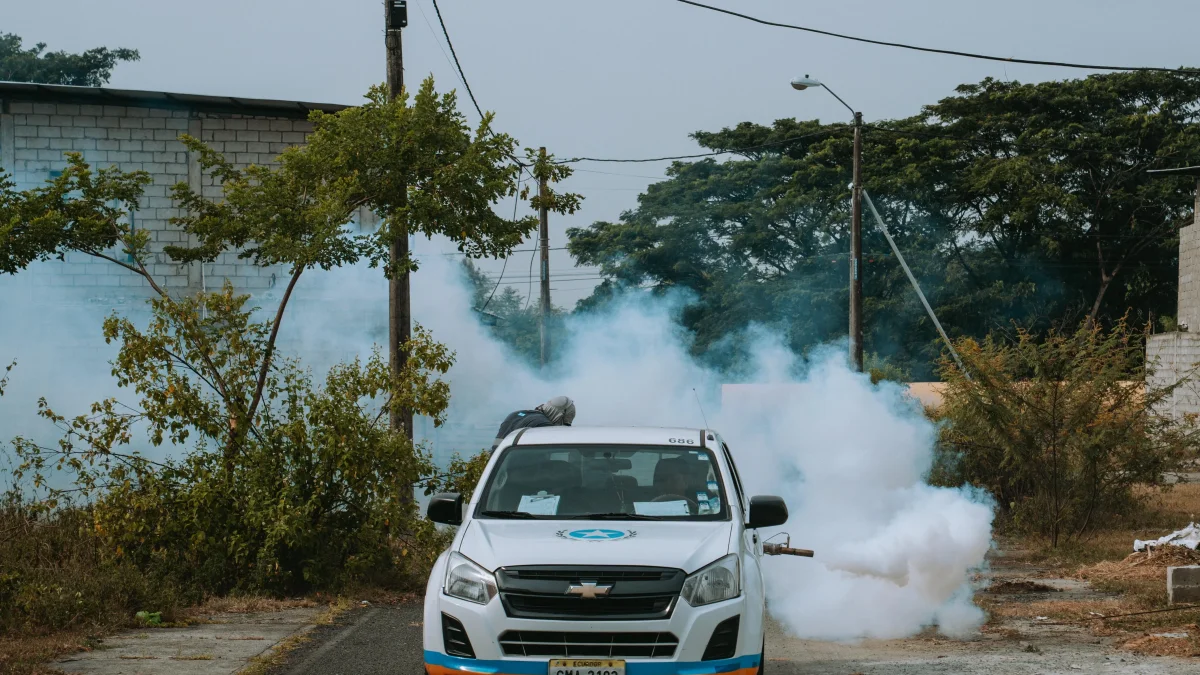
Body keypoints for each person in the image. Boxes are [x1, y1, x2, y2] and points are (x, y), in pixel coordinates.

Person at [491, 396, 576, 451]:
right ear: (560, 416)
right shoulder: (544, 426)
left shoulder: (515, 414)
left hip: (496, 468)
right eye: (565, 423)